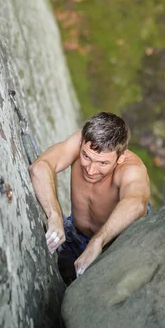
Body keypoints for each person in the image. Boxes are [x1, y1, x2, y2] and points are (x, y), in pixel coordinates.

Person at [29, 112, 150, 285]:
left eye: (103, 163)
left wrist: (98, 241)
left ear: (121, 157)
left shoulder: (131, 168)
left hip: (115, 245)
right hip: (76, 234)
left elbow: (136, 203)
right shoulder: (81, 141)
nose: (91, 170)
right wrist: (54, 215)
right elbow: (39, 168)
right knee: (64, 278)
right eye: (86, 157)